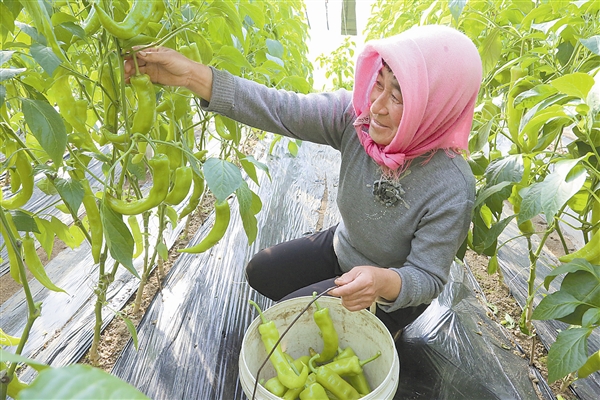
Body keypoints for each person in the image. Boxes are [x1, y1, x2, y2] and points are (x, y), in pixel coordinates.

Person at [124, 24, 482, 340]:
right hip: (343, 248)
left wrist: (382, 284)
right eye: (379, 83)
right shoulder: (355, 120)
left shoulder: (451, 186)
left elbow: (427, 277)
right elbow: (281, 108)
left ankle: (392, 323)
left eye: (399, 96)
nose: (376, 106)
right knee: (260, 272)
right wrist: (191, 76)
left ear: (435, 106)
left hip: (386, 287)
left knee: (284, 330)